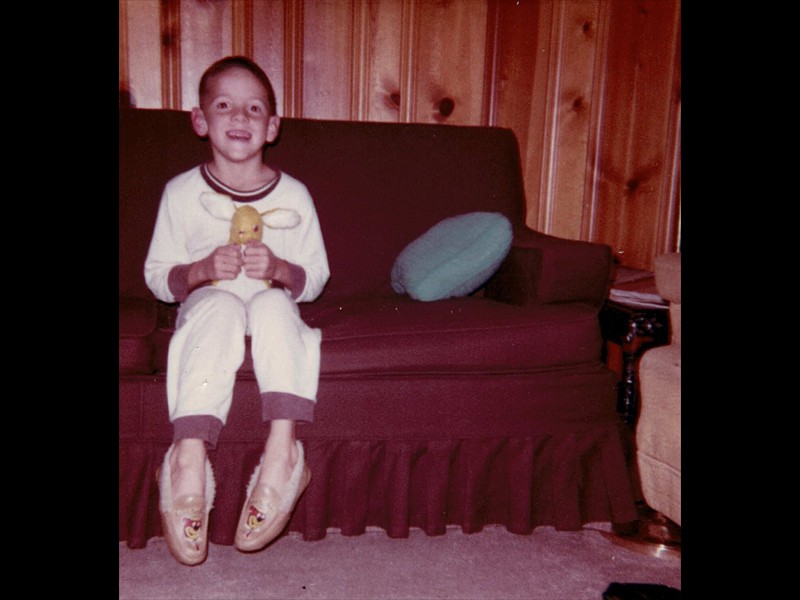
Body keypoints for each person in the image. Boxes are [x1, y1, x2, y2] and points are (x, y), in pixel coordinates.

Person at [144, 56, 330, 565]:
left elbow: (316, 277)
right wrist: (201, 270)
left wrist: (281, 269)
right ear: (200, 120)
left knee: (273, 305)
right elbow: (157, 275)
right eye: (224, 105)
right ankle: (186, 460)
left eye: (254, 108)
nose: (240, 117)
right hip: (210, 311)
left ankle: (282, 455)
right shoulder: (181, 193)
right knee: (221, 305)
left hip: (271, 311)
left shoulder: (295, 196)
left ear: (272, 127)